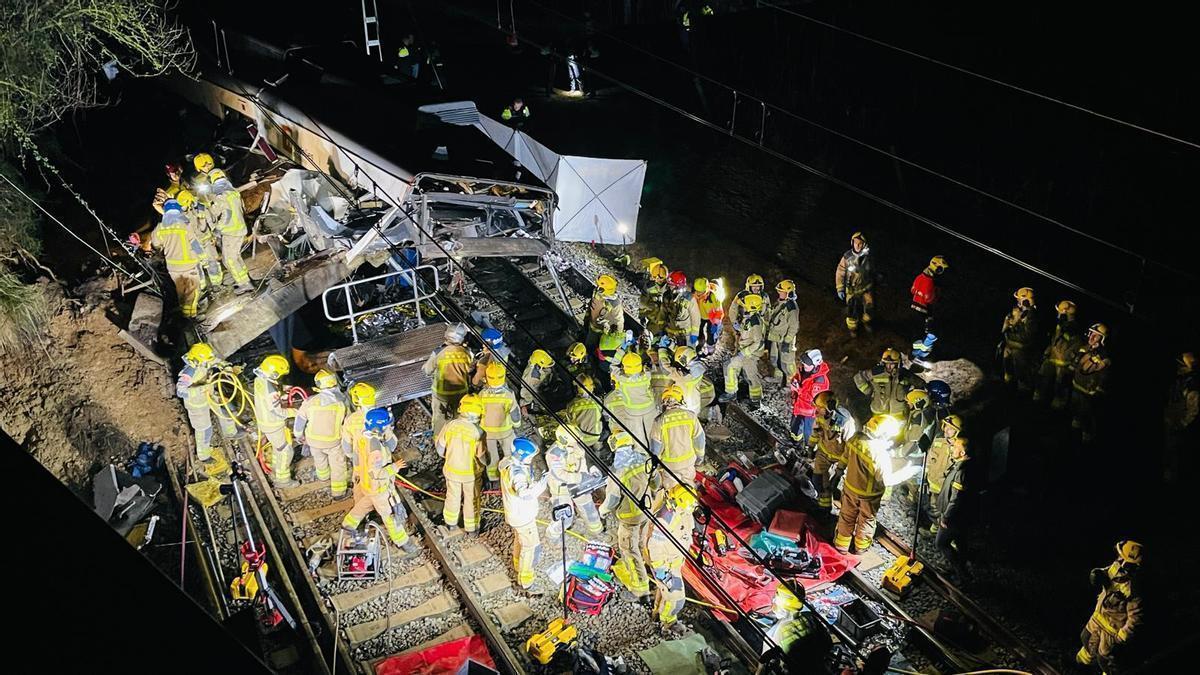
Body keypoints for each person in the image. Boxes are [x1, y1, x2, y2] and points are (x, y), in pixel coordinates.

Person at [341, 408, 421, 557]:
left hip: (367, 485)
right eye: (387, 426)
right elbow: (377, 474)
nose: (389, 428)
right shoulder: (376, 451)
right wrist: (394, 468)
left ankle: (348, 524)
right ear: (380, 427)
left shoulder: (362, 438)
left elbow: (357, 460)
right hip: (379, 489)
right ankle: (403, 542)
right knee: (390, 516)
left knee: (364, 505)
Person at [834, 415, 920, 553]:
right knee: (866, 520)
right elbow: (887, 480)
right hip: (869, 495)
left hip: (850, 487)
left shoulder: (856, 439)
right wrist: (909, 471)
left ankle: (841, 546)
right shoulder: (879, 454)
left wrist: (838, 471)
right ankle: (860, 548)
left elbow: (845, 457)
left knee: (847, 515)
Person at [599, 430, 654, 601]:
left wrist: (602, 511)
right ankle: (647, 569)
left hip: (630, 517)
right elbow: (656, 482)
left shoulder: (618, 471)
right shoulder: (644, 459)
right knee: (642, 542)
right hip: (648, 511)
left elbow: (613, 499)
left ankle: (640, 590)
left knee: (629, 550)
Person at [1076, 541, 1143, 673]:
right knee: (1085, 638)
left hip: (1111, 631)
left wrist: (1122, 636)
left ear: (1128, 563)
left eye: (1121, 557)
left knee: (1104, 659)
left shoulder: (1132, 590)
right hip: (1098, 618)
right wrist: (1098, 573)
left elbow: (1135, 617)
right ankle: (1080, 666)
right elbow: (1107, 571)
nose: (1117, 559)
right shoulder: (1116, 568)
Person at [643, 484, 696, 636]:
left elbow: (687, 529)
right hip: (665, 565)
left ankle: (656, 613)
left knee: (664, 590)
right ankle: (667, 621)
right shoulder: (664, 521)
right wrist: (661, 570)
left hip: (676, 561)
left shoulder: (683, 511)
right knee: (676, 598)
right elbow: (654, 546)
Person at [499, 437, 547, 590]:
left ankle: (517, 565)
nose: (531, 459)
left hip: (515, 514)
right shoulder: (517, 473)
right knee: (531, 547)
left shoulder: (508, 464)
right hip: (523, 516)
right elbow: (525, 494)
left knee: (520, 541)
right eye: (530, 456)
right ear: (522, 455)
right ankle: (526, 580)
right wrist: (541, 485)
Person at [294, 369, 351, 499]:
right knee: (338, 466)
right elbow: (348, 422)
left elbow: (300, 420)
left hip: (313, 441)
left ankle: (323, 477)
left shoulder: (310, 401)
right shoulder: (342, 402)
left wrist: (298, 435)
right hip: (333, 442)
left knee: (319, 459)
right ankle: (339, 493)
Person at [437, 394, 486, 534]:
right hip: (470, 475)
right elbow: (481, 456)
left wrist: (450, 457)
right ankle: (472, 528)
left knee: (452, 496)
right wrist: (487, 463)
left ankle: (450, 523)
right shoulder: (478, 431)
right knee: (472, 500)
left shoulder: (450, 425)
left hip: (452, 471)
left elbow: (440, 449)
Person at [545, 425, 604, 540]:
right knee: (565, 517)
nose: (578, 440)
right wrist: (581, 478)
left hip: (578, 485)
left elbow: (583, 461)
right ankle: (552, 535)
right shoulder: (554, 454)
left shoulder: (576, 446)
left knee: (589, 509)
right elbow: (559, 475)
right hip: (561, 489)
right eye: (575, 438)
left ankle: (597, 532)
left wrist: (591, 470)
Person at [151, 199, 206, 318]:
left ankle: (184, 316)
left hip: (173, 268)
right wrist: (203, 257)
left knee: (180, 293)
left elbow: (155, 244)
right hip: (188, 265)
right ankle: (191, 318)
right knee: (193, 292)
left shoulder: (160, 227)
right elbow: (194, 243)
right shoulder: (184, 224)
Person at [176, 343, 225, 471]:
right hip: (196, 406)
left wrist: (226, 366)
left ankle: (230, 432)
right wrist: (202, 389)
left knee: (224, 409)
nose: (207, 364)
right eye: (204, 361)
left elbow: (213, 361)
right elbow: (180, 391)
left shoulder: (201, 361)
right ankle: (204, 456)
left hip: (206, 398)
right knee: (204, 430)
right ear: (197, 360)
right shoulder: (188, 372)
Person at [934, 430, 975, 581]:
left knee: (941, 543)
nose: (952, 448)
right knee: (960, 542)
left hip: (954, 518)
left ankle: (962, 574)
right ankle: (961, 568)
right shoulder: (963, 465)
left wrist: (945, 517)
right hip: (961, 518)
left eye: (955, 446)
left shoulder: (962, 472)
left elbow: (956, 500)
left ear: (962, 452)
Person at [204, 169, 253, 293]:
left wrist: (218, 228)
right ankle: (246, 279)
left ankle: (244, 284)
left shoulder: (221, 196)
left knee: (229, 260)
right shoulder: (233, 193)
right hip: (240, 229)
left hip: (231, 232)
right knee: (235, 257)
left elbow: (226, 214)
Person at [253, 354, 298, 488]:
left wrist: (283, 393)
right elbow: (277, 411)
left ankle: (275, 467)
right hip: (273, 424)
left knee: (278, 447)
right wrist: (294, 412)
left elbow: (270, 396)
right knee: (286, 451)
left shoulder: (260, 379)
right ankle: (283, 480)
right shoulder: (271, 392)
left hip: (265, 421)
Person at [422, 323, 473, 434]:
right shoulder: (468, 353)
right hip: (461, 393)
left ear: (447, 335)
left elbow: (427, 370)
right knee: (459, 418)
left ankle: (439, 439)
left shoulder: (438, 352)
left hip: (441, 394)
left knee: (439, 419)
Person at [650, 385, 705, 489]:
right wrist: (700, 457)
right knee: (689, 489)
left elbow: (655, 449)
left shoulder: (659, 421)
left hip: (670, 466)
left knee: (673, 491)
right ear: (681, 400)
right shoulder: (691, 417)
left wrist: (656, 466)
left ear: (664, 402)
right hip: (688, 462)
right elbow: (699, 440)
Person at [810, 393, 855, 512]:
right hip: (823, 453)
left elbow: (849, 449)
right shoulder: (820, 416)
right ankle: (823, 507)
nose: (817, 410)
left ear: (829, 406)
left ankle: (829, 510)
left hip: (839, 457)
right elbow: (816, 432)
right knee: (818, 481)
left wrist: (839, 471)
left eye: (820, 407)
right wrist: (810, 447)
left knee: (831, 486)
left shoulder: (846, 422)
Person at [1034, 300, 1085, 408]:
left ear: (1065, 312)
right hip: (1053, 358)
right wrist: (1048, 351)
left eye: (1060, 312)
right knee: (1043, 376)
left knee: (1060, 385)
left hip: (1063, 363)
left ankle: (1058, 406)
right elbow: (1055, 340)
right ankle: (1039, 399)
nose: (1058, 314)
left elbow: (1067, 342)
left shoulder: (1073, 328)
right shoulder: (1061, 325)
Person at [719, 293, 766, 408]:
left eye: (744, 305)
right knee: (730, 366)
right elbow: (747, 331)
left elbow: (758, 342)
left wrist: (743, 353)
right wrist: (739, 328)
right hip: (745, 351)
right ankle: (731, 392)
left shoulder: (755, 323)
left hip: (750, 354)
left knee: (751, 376)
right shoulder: (750, 318)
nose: (743, 307)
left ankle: (756, 400)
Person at [480, 362, 522, 483]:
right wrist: (517, 425)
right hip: (505, 431)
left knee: (491, 456)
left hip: (487, 433)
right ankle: (511, 475)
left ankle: (494, 478)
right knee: (510, 453)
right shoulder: (508, 395)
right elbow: (514, 413)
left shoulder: (482, 394)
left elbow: (478, 412)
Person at [1070, 323, 1112, 444]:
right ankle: (1076, 424)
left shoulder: (1104, 358)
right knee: (1075, 406)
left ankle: (1088, 434)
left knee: (1086, 412)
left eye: (1097, 335)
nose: (1092, 337)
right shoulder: (1085, 348)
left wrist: (1099, 389)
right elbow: (1077, 362)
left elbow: (1104, 376)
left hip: (1088, 390)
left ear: (1103, 339)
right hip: (1077, 384)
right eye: (1091, 333)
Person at [609, 351, 659, 447]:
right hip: (649, 409)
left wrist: (621, 351)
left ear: (624, 367)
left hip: (633, 412)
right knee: (653, 433)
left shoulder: (622, 378)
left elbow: (613, 365)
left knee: (638, 437)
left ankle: (644, 454)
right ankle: (657, 453)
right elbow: (652, 367)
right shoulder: (646, 375)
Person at [176, 189, 223, 289]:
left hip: (206, 242)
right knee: (197, 268)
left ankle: (217, 284)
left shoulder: (201, 208)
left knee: (212, 263)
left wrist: (214, 235)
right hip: (192, 246)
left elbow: (211, 221)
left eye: (184, 206)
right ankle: (202, 289)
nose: (183, 209)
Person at [925, 415, 964, 531]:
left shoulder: (958, 447)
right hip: (933, 482)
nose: (947, 430)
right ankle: (935, 528)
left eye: (950, 428)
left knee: (946, 511)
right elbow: (930, 458)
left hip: (945, 488)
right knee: (933, 507)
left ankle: (946, 534)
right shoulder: (938, 440)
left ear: (957, 431)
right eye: (946, 426)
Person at [854, 348, 921, 416]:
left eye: (892, 364)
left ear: (897, 363)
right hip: (878, 412)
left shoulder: (904, 374)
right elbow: (858, 377)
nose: (889, 366)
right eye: (886, 364)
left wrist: (912, 398)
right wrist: (868, 391)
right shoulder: (876, 372)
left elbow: (920, 384)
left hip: (898, 413)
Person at [1164, 352, 1198, 484]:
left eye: (1181, 364)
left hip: (1178, 427)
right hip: (1171, 423)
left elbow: (1193, 409)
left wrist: (1182, 425)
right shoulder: (1179, 383)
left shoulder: (1191, 386)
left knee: (1176, 456)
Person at [1000, 287, 1039, 392]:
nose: (1017, 301)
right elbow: (1005, 329)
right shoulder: (1019, 312)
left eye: (1019, 299)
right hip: (1015, 344)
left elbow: (1026, 337)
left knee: (1020, 364)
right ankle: (1009, 382)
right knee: (1006, 356)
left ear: (1026, 300)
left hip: (1024, 348)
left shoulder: (1032, 315)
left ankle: (1024, 388)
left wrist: (1009, 334)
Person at [835, 232, 874, 336]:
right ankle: (853, 329)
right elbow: (840, 272)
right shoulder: (847, 257)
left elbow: (873, 270)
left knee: (870, 307)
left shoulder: (868, 256)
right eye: (855, 242)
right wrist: (840, 288)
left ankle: (867, 323)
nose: (857, 245)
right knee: (852, 311)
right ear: (852, 243)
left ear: (864, 244)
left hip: (866, 288)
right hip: (851, 290)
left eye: (860, 243)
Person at [788, 349, 829, 445]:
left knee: (809, 434)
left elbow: (812, 399)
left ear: (815, 365)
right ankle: (795, 443)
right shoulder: (804, 370)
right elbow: (798, 378)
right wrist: (794, 382)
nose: (804, 365)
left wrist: (798, 389)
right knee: (795, 427)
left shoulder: (820, 381)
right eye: (803, 362)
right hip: (798, 407)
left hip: (809, 414)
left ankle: (807, 451)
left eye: (807, 363)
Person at [341, 382, 378, 478]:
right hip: (380, 459)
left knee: (360, 479)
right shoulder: (383, 416)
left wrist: (351, 455)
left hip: (359, 459)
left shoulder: (351, 420)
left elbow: (347, 445)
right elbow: (391, 444)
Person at [766, 280, 800, 384]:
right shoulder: (780, 303)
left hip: (785, 341)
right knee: (775, 359)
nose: (779, 293)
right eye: (779, 291)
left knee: (787, 364)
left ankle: (791, 385)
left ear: (788, 293)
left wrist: (787, 341)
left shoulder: (791, 307)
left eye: (782, 291)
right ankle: (778, 379)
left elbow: (794, 327)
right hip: (775, 338)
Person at [587, 274, 626, 362]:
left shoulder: (614, 303)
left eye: (600, 287)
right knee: (590, 343)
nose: (598, 288)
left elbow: (619, 320)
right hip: (593, 325)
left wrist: (617, 335)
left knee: (595, 347)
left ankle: (592, 359)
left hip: (604, 333)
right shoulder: (598, 292)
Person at [563, 374, 602, 450]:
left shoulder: (573, 404)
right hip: (595, 437)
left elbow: (568, 421)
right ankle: (598, 446)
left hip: (579, 440)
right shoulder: (598, 401)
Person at [668, 346, 706, 416]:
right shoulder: (698, 368)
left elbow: (668, 370)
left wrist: (662, 352)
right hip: (695, 406)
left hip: (686, 409)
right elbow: (686, 353)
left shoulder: (683, 378)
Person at [693, 277, 724, 355]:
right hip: (700, 315)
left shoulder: (713, 297)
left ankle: (710, 349)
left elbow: (719, 311)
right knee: (698, 331)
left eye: (701, 292)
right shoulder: (694, 295)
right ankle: (700, 344)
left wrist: (716, 324)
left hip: (712, 317)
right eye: (697, 291)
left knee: (710, 334)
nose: (698, 293)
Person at [520, 349, 555, 415]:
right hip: (536, 399)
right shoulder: (532, 378)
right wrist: (526, 406)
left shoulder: (536, 364)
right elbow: (527, 396)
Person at [640, 263, 671, 335]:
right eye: (654, 277)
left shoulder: (669, 289)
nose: (656, 280)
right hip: (653, 320)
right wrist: (642, 316)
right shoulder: (649, 286)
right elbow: (643, 301)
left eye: (660, 278)